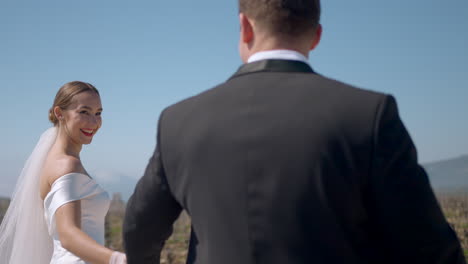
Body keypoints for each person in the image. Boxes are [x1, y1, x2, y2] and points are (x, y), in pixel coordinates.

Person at [123, 1, 466, 263]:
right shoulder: (369, 113)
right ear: (316, 36)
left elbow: (139, 228)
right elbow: (429, 244)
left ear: (244, 27)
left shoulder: (178, 121)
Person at [0, 81, 126, 264]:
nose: (94, 122)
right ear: (59, 113)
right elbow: (68, 235)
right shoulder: (66, 164)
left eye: (98, 113)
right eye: (84, 112)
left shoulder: (54, 160)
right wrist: (118, 259)